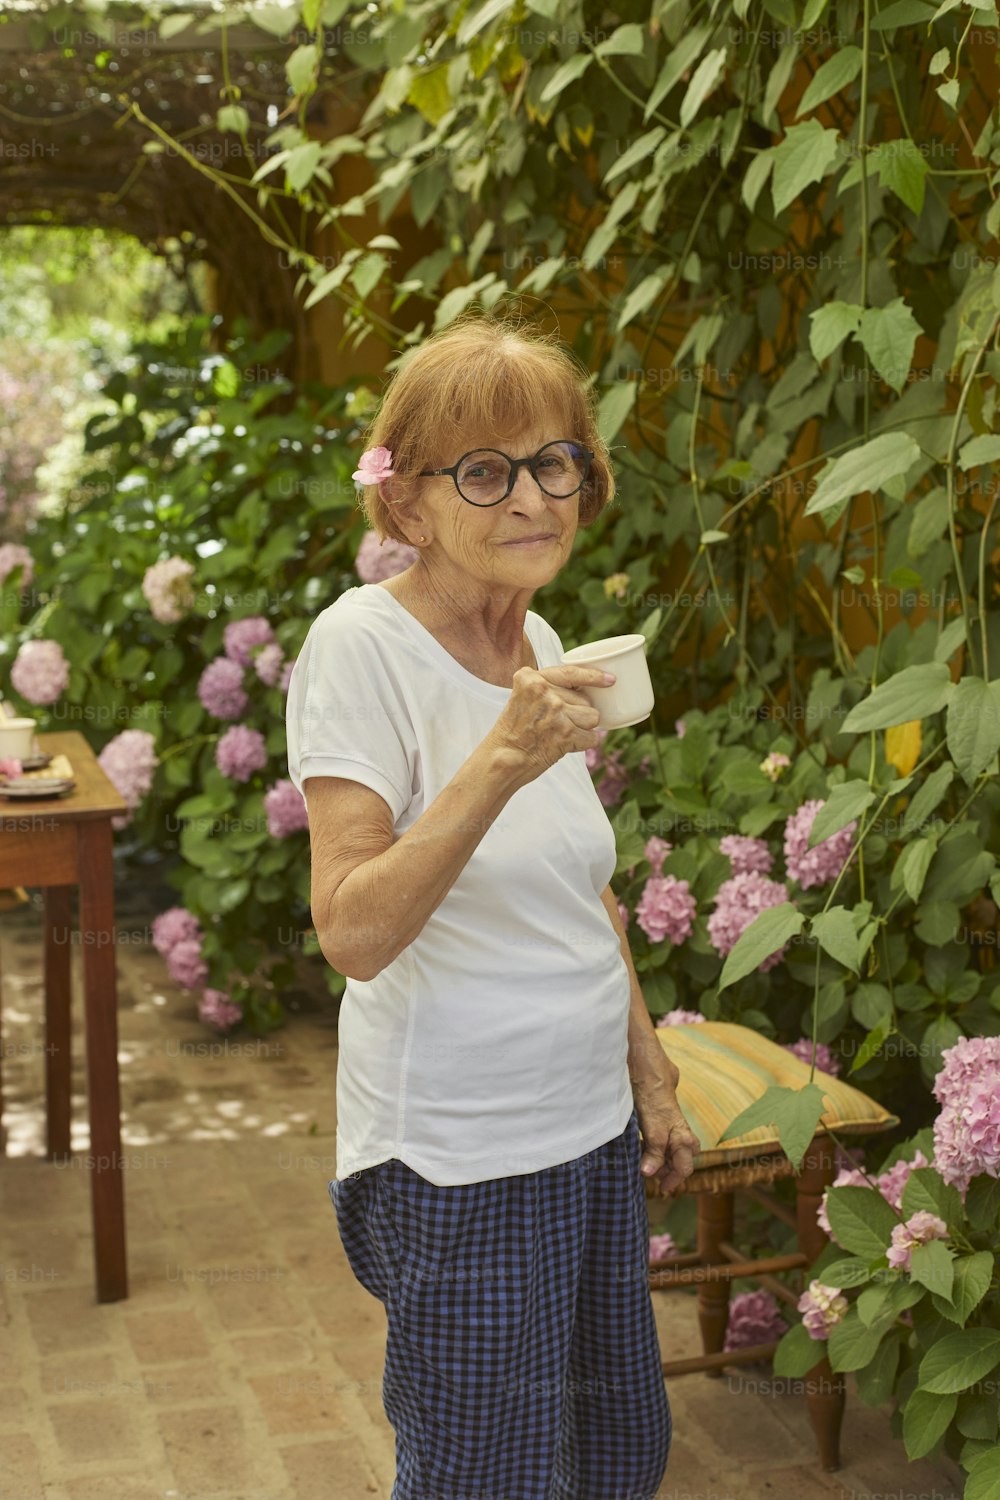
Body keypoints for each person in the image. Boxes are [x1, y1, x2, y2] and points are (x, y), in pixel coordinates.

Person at [285, 312, 700, 1500]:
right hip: (459, 1160)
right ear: (405, 503)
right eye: (484, 470)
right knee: (487, 1477)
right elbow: (354, 931)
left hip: (585, 1132)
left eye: (554, 462)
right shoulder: (359, 649)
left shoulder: (544, 639)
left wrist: (649, 1072)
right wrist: (502, 756)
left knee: (616, 1452)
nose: (532, 497)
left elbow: (583, 891)